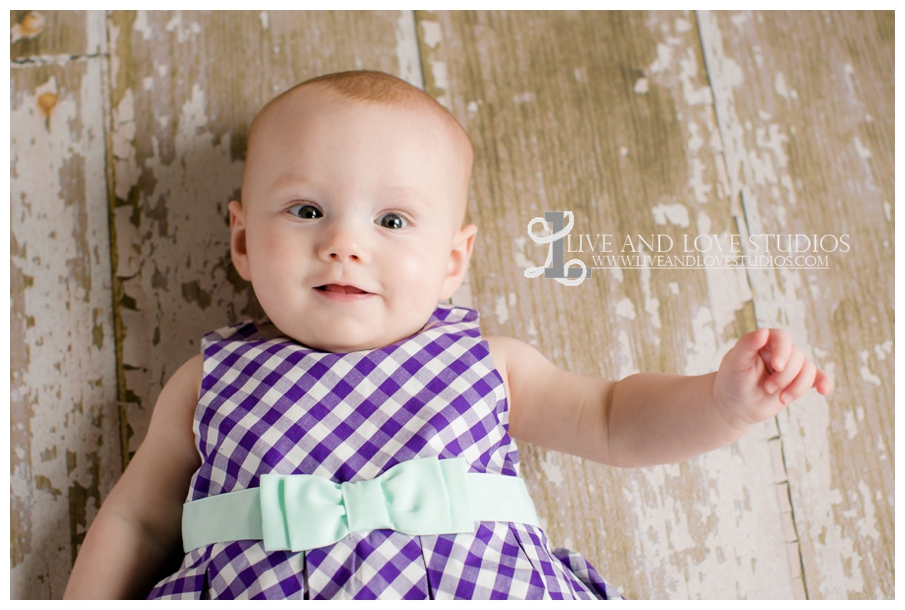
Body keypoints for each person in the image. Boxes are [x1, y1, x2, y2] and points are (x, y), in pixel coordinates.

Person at [63, 70, 832, 600]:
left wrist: (722, 402)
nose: (344, 244)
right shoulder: (207, 384)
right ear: (240, 240)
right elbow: (138, 518)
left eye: (391, 220)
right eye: (305, 210)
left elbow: (612, 419)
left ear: (451, 262)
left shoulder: (485, 365)